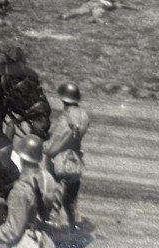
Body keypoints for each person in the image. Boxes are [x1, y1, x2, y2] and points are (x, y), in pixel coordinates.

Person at [0, 135, 60, 248]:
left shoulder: (19, 190)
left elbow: (12, 232)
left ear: (21, 157)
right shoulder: (48, 178)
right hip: (46, 241)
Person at [44, 83, 89, 230]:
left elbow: (53, 147)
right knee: (70, 199)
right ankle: (71, 224)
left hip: (61, 163)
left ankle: (51, 225)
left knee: (53, 197)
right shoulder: (83, 115)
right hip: (76, 162)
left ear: (63, 99)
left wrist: (41, 145)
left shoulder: (66, 118)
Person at [61, 0, 131, 23]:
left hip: (99, 6)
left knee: (97, 13)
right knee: (80, 11)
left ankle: (95, 20)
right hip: (90, 4)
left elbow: (123, 6)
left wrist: (119, 5)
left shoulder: (113, 5)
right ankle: (65, 15)